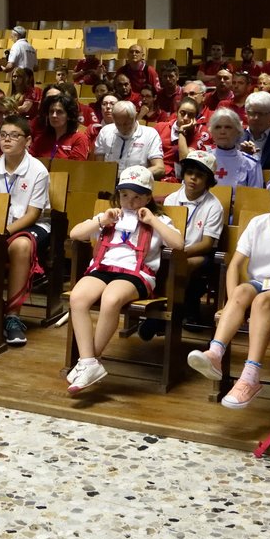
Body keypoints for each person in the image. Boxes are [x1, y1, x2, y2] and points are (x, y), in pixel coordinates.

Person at [186, 164, 270, 408]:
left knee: (262, 302)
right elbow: (234, 265)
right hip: (260, 285)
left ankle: (250, 376)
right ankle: (215, 354)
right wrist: (233, 303)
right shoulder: (259, 223)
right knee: (242, 290)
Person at [64, 166, 186, 394]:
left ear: (148, 197)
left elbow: (178, 244)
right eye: (125, 195)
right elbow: (75, 234)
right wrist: (101, 221)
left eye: (137, 196)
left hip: (136, 274)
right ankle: (89, 362)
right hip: (103, 267)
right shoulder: (111, 216)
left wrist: (153, 221)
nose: (130, 202)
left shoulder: (157, 219)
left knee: (111, 298)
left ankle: (89, 361)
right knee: (78, 298)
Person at [0, 115, 51, 347]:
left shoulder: (38, 171)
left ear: (27, 141)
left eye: (14, 135)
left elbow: (33, 214)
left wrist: (6, 231)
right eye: (3, 135)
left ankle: (13, 316)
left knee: (21, 246)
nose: (7, 140)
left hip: (31, 226)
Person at [151, 149, 226, 337]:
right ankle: (163, 310)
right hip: (173, 250)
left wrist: (182, 253)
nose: (193, 178)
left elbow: (208, 243)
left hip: (200, 253)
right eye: (190, 173)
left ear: (208, 180)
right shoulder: (172, 199)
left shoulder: (213, 206)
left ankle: (171, 312)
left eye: (200, 175)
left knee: (184, 265)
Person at [93, 100, 166, 180]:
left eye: (126, 123)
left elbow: (160, 168)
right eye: (118, 124)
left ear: (135, 117)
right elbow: (99, 166)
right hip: (108, 182)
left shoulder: (150, 134)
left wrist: (133, 177)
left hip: (136, 184)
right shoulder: (105, 131)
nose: (122, 128)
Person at [205, 108, 262, 188]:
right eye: (217, 127)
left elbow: (257, 198)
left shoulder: (251, 164)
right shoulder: (202, 161)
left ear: (238, 131)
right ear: (211, 132)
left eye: (228, 127)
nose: (222, 132)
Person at [30, 92, 92, 162]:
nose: (54, 115)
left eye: (59, 112)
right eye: (51, 111)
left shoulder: (79, 139)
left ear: (69, 116)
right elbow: (30, 162)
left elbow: (75, 168)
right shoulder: (41, 138)